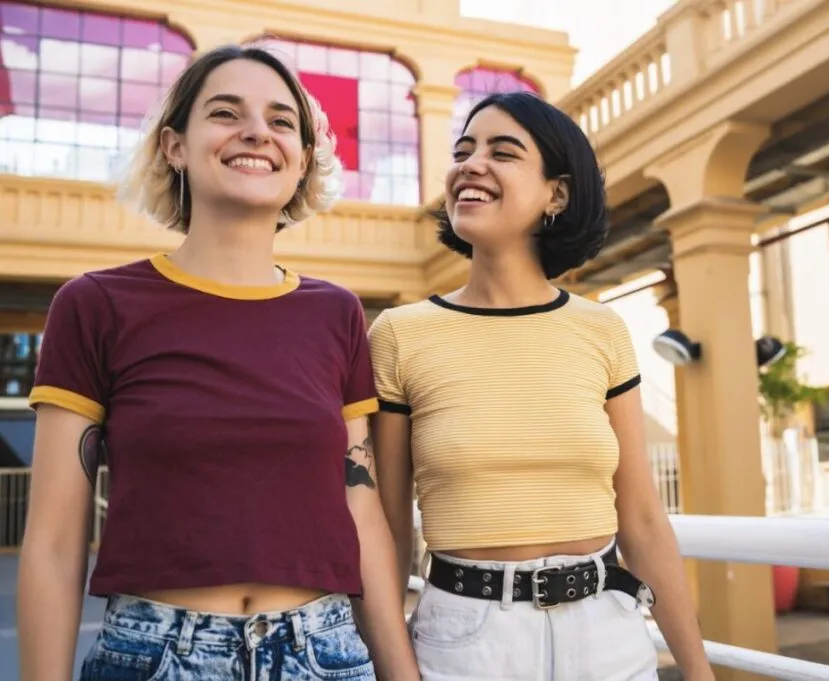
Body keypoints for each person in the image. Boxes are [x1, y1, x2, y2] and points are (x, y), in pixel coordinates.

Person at [17, 44, 419, 681]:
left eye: (283, 121)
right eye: (226, 113)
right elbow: (55, 544)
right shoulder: (94, 305)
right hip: (155, 656)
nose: (257, 131)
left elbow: (360, 510)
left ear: (304, 158)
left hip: (324, 653)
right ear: (175, 146)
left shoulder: (337, 313)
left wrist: (402, 675)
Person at [368, 91, 715, 680]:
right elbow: (388, 528)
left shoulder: (601, 330)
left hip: (609, 634)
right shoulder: (401, 334)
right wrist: (395, 668)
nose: (471, 165)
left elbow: (643, 519)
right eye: (463, 150)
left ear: (556, 193)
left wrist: (699, 672)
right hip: (465, 641)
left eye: (503, 152)